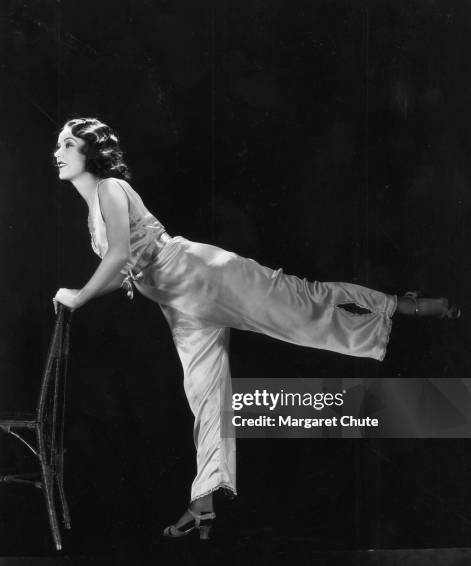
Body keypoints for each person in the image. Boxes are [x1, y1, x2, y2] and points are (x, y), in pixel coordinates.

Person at [52, 117, 460, 540]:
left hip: (202, 273)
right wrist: (103, 287)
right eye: (59, 145)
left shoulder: (109, 189)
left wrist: (77, 296)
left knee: (301, 300)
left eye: (67, 145)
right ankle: (203, 502)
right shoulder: (93, 209)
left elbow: (119, 255)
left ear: (91, 152)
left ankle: (399, 305)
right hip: (180, 305)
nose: (58, 153)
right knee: (207, 398)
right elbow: (124, 267)